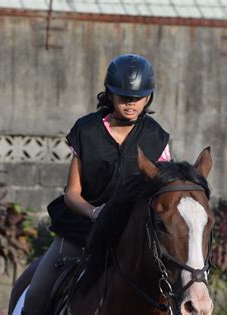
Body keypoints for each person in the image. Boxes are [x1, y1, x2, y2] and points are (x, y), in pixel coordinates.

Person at [22, 54, 171, 314]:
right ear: (110, 94)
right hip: (82, 232)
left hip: (132, 238)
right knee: (36, 295)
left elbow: (162, 195)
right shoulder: (86, 130)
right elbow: (72, 193)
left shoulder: (157, 138)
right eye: (123, 96)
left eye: (137, 97)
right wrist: (94, 212)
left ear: (148, 98)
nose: (130, 103)